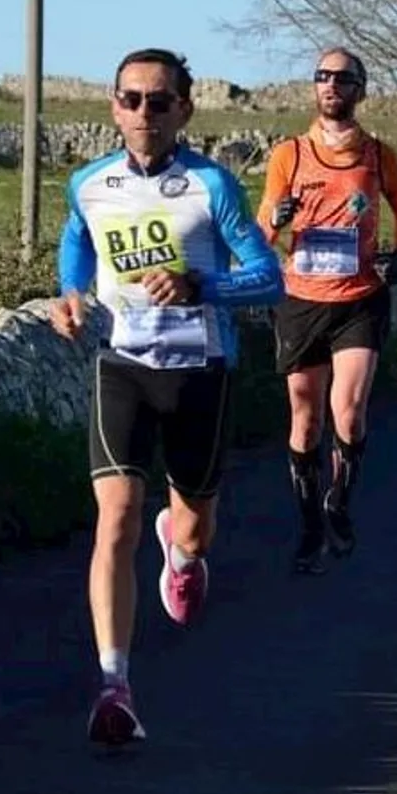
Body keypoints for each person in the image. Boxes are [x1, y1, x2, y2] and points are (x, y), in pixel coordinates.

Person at [50, 47, 285, 747]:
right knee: (114, 517)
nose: (142, 113)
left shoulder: (211, 186)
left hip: (199, 369)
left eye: (158, 101)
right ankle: (114, 684)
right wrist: (69, 295)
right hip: (120, 364)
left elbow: (268, 278)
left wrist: (198, 286)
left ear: (185, 109)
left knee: (192, 527)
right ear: (113, 106)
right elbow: (76, 243)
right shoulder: (89, 183)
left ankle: (182, 554)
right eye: (130, 99)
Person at [258, 48, 397, 574]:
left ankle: (339, 502)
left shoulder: (379, 155)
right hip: (301, 299)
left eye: (343, 79)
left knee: (347, 410)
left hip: (359, 297)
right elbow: (262, 226)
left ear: (360, 90)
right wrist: (276, 220)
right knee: (304, 419)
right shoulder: (290, 154)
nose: (331, 86)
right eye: (322, 77)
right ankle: (308, 522)